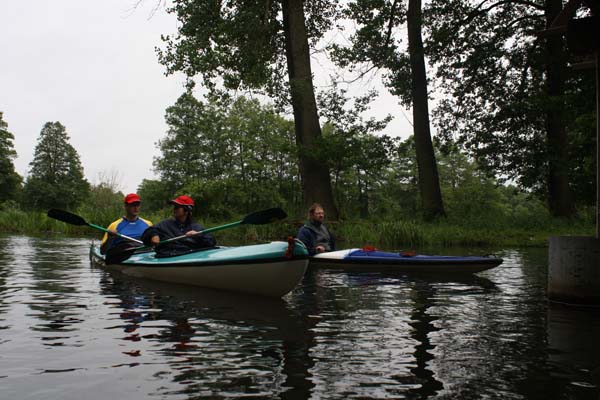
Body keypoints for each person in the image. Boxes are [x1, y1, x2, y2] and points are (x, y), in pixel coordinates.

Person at [141, 195, 216, 257]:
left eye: (177, 207)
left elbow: (211, 241)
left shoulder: (197, 227)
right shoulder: (165, 224)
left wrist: (199, 235)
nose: (174, 209)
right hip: (168, 257)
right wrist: (153, 235)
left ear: (186, 210)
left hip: (190, 257)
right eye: (174, 207)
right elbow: (148, 232)